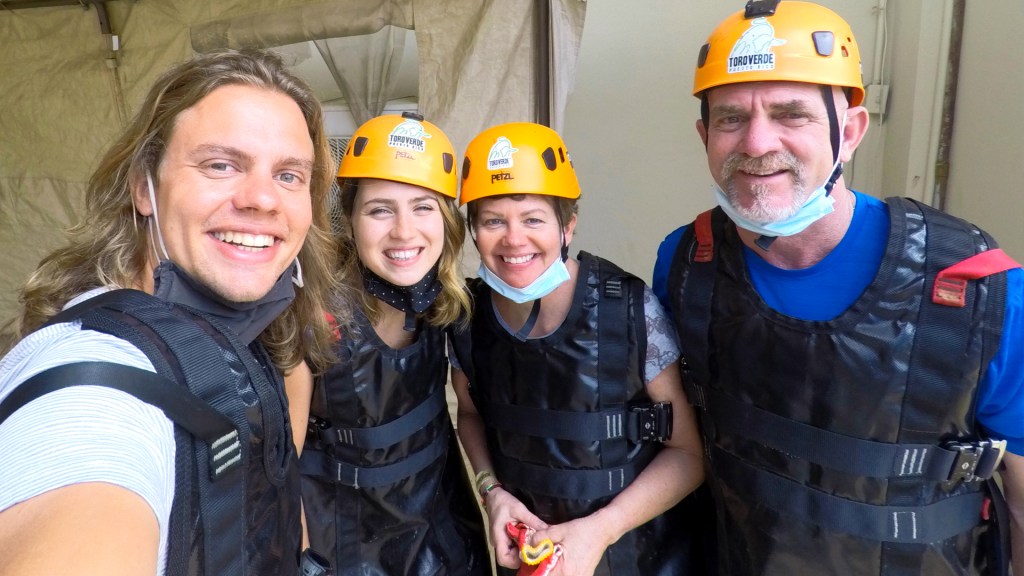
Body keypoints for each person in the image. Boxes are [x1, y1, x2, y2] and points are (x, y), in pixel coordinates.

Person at [651, 1, 1024, 574]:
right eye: (730, 118)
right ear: (705, 134)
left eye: (790, 114)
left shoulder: (979, 289)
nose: (755, 142)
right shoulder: (685, 262)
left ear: (849, 131)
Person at [0, 49, 341, 576]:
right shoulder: (93, 388)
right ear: (144, 187)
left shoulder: (241, 338)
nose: (263, 199)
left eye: (290, 176)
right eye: (221, 165)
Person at [449, 121, 706, 576]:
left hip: (635, 557)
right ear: (473, 230)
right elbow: (470, 414)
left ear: (568, 225)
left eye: (533, 219)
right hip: (529, 561)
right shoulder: (468, 318)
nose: (513, 239)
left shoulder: (628, 309)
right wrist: (493, 493)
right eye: (492, 221)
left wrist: (602, 530)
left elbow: (688, 456)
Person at [285, 112, 490, 575]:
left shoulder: (449, 302)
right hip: (341, 542)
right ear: (351, 219)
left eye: (423, 207)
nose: (403, 231)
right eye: (380, 210)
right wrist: (303, 563)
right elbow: (281, 466)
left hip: (443, 531)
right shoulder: (310, 314)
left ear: (446, 220)